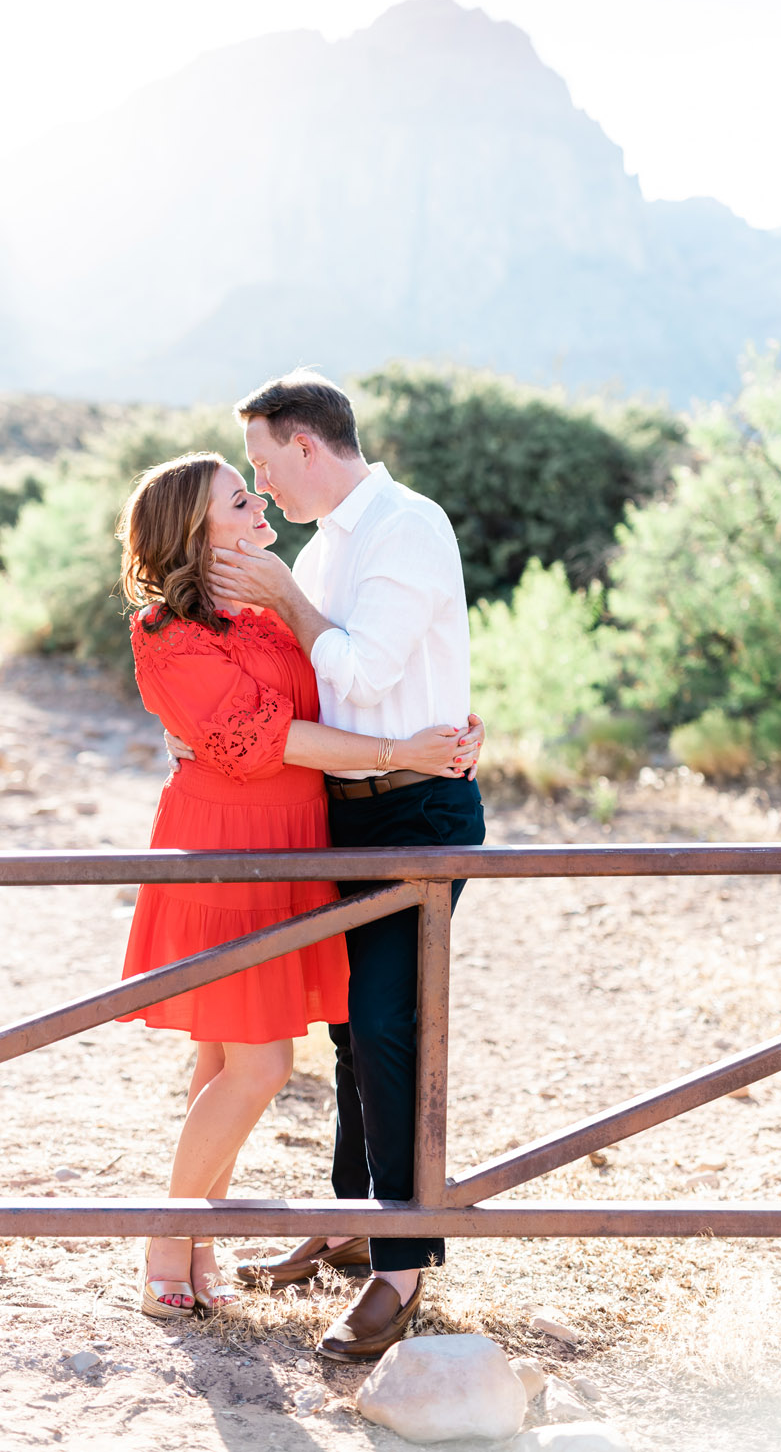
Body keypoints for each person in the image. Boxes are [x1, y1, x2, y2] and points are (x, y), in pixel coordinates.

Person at [115, 450, 480, 1323]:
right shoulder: (168, 634)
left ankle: (198, 1240)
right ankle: (165, 1239)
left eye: (254, 487)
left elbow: (352, 682)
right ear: (195, 538)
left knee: (222, 1057)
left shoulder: (262, 617)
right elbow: (274, 740)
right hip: (228, 853)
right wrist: (401, 755)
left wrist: (440, 718)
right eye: (239, 501)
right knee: (262, 1063)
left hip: (293, 845)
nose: (259, 504)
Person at [203, 372, 486, 1362]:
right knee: (345, 1029)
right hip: (345, 812)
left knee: (385, 1024)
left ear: (306, 446)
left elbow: (362, 671)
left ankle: (402, 1266)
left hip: (416, 812)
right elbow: (322, 690)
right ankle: (349, 1221)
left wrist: (280, 592)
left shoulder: (406, 527)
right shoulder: (326, 551)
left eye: (262, 460)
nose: (259, 481)